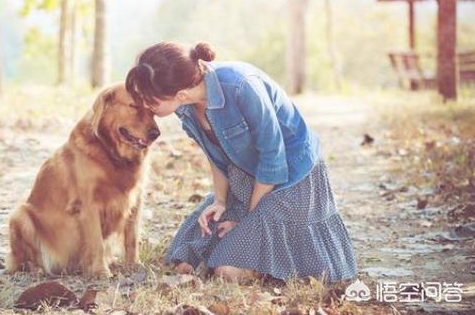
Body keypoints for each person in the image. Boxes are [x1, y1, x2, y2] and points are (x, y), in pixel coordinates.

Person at [124, 42, 357, 283]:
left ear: (181, 94)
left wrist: (247, 222)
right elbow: (214, 154)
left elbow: (273, 161)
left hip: (290, 179)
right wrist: (220, 200)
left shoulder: (242, 86)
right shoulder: (186, 107)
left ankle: (264, 262)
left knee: (227, 272)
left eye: (149, 100)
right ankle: (241, 244)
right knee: (186, 258)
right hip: (246, 175)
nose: (144, 105)